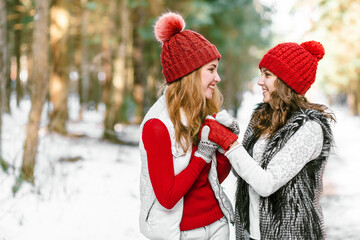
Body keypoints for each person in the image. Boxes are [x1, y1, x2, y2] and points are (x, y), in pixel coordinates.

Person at [202, 40, 335, 239]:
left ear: (286, 81)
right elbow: (245, 174)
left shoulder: (309, 128)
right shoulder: (263, 117)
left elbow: (266, 184)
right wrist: (227, 137)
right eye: (261, 73)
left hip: (289, 234)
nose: (259, 81)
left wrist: (230, 143)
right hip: (252, 232)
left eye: (267, 75)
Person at [139, 12, 235, 240]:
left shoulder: (203, 112)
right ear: (189, 73)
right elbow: (168, 197)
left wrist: (226, 146)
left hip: (218, 223)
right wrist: (201, 156)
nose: (217, 78)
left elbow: (214, 179)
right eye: (211, 69)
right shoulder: (157, 125)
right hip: (183, 232)